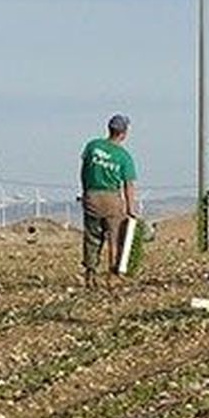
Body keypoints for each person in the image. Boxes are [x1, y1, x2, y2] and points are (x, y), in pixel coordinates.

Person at [79, 114, 138, 288]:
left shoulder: (92, 146)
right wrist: (130, 208)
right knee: (115, 238)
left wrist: (85, 192)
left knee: (92, 237)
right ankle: (113, 275)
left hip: (92, 196)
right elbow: (128, 185)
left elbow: (83, 170)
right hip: (112, 198)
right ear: (123, 133)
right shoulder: (123, 156)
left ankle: (90, 272)